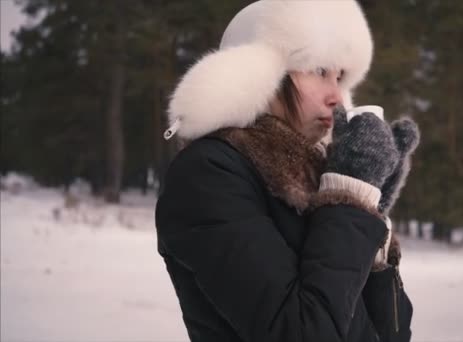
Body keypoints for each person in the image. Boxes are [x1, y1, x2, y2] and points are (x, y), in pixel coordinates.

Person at [155, 1, 420, 341]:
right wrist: (350, 201)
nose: (337, 97)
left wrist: (371, 217)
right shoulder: (208, 174)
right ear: (260, 74)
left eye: (340, 78)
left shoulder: (318, 176)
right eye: (320, 71)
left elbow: (392, 336)